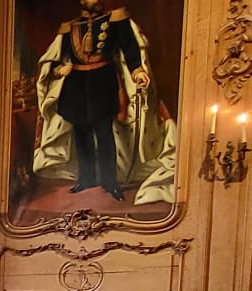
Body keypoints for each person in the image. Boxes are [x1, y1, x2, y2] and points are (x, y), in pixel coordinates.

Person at [32, 0, 176, 205]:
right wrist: (58, 70)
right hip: (75, 86)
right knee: (81, 134)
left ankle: (110, 182)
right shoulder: (68, 28)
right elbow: (56, 60)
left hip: (103, 81)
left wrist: (137, 70)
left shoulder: (116, 20)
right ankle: (86, 180)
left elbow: (129, 47)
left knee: (104, 133)